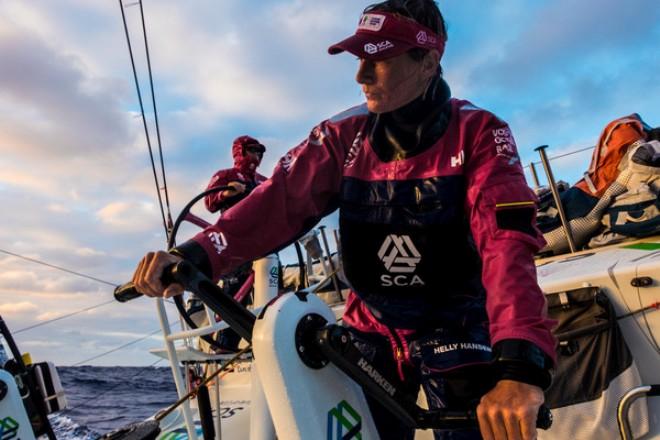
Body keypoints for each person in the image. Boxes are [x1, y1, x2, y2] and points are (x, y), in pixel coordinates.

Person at [131, 1, 556, 439]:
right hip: (370, 324)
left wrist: (519, 367)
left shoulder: (480, 132)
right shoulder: (340, 136)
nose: (361, 75)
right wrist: (195, 256)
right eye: (360, 59)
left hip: (458, 322)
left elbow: (507, 247)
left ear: (429, 61)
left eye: (380, 60)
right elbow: (277, 203)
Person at [204, 135, 267, 351]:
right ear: (240, 151)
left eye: (260, 151)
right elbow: (209, 202)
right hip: (235, 243)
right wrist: (227, 192)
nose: (257, 155)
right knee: (235, 290)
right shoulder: (225, 175)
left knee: (270, 285)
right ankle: (224, 346)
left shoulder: (263, 181)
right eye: (253, 150)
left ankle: (265, 340)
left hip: (262, 244)